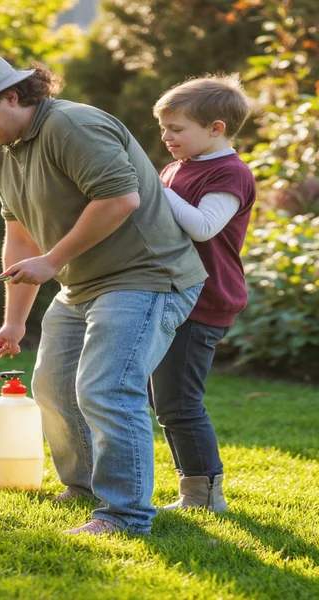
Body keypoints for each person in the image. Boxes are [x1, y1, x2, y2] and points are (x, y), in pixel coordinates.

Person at [0, 52, 207, 536]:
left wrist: (53, 262)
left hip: (146, 275)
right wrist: (14, 321)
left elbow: (120, 200)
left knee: (107, 388)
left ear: (12, 96)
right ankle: (87, 488)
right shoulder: (2, 157)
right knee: (54, 388)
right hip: (83, 285)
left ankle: (125, 515)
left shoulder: (71, 125)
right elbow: (21, 239)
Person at [150, 74, 257, 511]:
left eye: (177, 129)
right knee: (165, 399)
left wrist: (156, 190)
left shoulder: (230, 172)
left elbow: (204, 226)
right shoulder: (178, 167)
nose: (166, 136)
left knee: (178, 400)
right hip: (174, 291)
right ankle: (195, 489)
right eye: (164, 127)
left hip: (205, 299)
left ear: (216, 128)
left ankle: (205, 495)